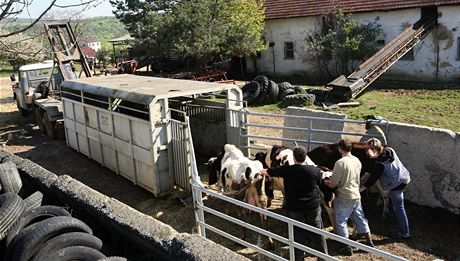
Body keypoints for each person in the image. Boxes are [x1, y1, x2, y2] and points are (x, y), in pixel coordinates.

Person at [261, 146, 327, 261]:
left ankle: (299, 257)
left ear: (293, 157)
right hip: (313, 206)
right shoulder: (315, 170)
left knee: (297, 232)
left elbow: (269, 171)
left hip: (295, 207)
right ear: (305, 157)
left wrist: (260, 169)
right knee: (318, 231)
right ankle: (322, 257)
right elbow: (321, 181)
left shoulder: (287, 170)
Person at [324, 139, 374, 255]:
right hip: (356, 194)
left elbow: (334, 182)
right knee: (359, 217)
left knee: (340, 219)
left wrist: (328, 183)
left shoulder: (340, 163)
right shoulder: (357, 160)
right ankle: (368, 240)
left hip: (344, 195)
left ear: (340, 149)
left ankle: (345, 246)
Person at [360, 138, 411, 238]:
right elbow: (382, 156)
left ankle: (405, 232)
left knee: (399, 207)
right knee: (396, 205)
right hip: (405, 177)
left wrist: (362, 188)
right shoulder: (390, 150)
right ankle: (396, 224)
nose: (367, 151)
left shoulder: (380, 164)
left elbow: (374, 177)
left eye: (369, 149)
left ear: (374, 150)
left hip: (396, 184)